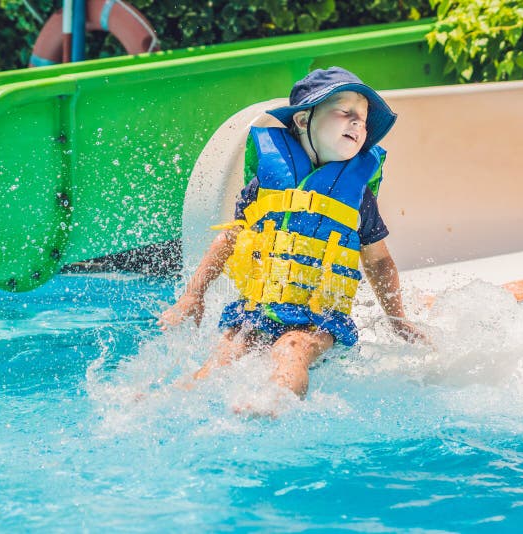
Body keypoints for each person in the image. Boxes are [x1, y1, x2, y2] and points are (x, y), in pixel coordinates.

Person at [159, 67, 424, 401]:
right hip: (259, 306)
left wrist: (397, 319)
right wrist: (193, 295)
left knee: (293, 348)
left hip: (320, 318)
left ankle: (273, 404)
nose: (359, 124)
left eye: (364, 119)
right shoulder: (265, 185)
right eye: (346, 113)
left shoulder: (358, 197)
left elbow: (379, 262)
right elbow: (229, 239)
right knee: (226, 353)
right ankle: (168, 402)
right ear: (302, 120)